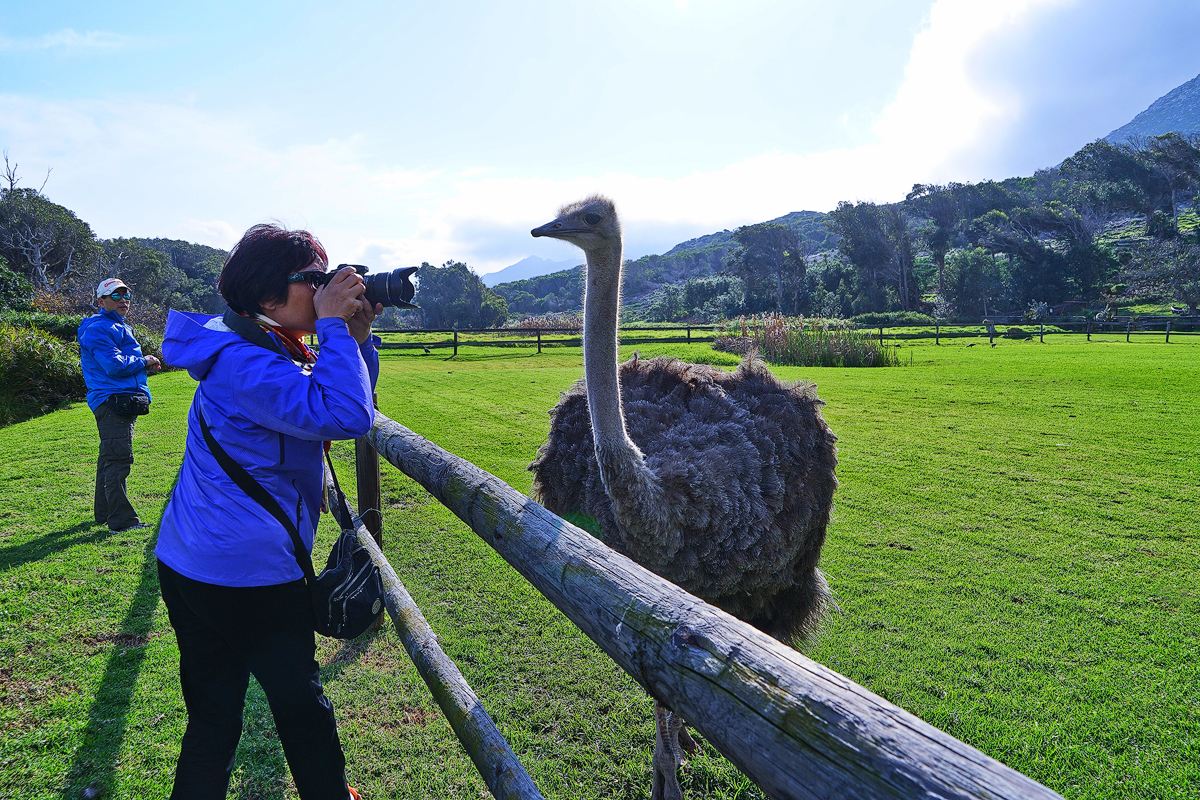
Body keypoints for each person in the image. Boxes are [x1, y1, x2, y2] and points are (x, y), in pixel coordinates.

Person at [155, 224, 381, 800]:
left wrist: (355, 337)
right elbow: (347, 416)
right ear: (265, 298)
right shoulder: (244, 364)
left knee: (213, 714)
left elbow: (345, 395)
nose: (328, 287)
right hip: (247, 574)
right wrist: (333, 326)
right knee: (300, 706)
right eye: (313, 280)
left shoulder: (257, 346)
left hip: (191, 559)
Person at [77, 277, 162, 532]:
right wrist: (145, 360)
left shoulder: (119, 326)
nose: (123, 299)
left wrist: (143, 366)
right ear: (101, 301)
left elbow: (121, 363)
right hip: (112, 400)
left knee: (108, 459)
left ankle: (104, 514)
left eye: (126, 295)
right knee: (118, 460)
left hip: (120, 399)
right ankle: (122, 522)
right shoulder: (98, 328)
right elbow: (114, 365)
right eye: (115, 295)